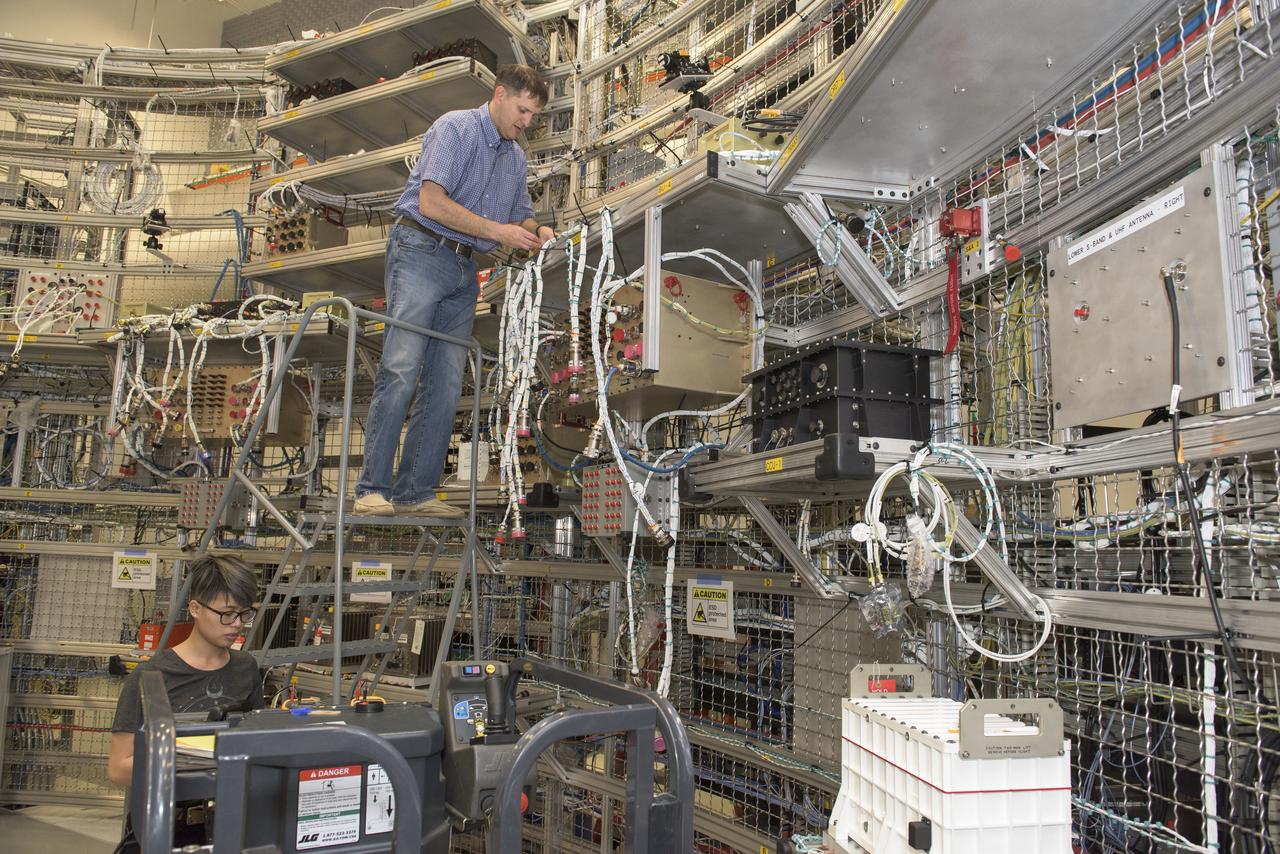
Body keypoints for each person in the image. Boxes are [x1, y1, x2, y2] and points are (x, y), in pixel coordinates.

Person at [354, 64, 555, 517]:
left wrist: (539, 229)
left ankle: (417, 492)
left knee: (445, 381)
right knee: (402, 367)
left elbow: (518, 215)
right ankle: (372, 488)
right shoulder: (455, 128)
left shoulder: (516, 158)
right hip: (421, 250)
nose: (526, 122)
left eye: (533, 116)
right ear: (500, 95)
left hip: (464, 268)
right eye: (522, 110)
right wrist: (497, 231)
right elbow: (431, 202)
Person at [108, 555, 264, 787]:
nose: (237, 624)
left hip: (230, 810)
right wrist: (201, 757)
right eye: (227, 613)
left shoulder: (246, 667)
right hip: (170, 815)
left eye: (244, 614)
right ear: (195, 609)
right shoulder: (150, 676)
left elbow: (255, 743)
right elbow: (118, 769)